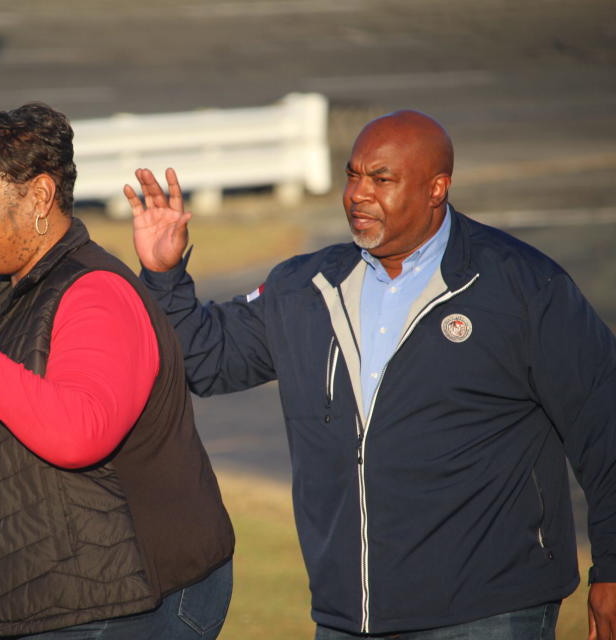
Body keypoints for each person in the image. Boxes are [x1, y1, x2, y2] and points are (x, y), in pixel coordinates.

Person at [124, 110, 616, 639]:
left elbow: (604, 425)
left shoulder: (522, 286)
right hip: (347, 616)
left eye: (381, 179)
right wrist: (163, 274)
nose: (358, 193)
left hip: (490, 610)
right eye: (353, 175)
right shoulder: (303, 287)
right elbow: (204, 360)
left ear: (436, 188)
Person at [0, 103, 234, 640]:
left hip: (118, 601)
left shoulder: (95, 293)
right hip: (42, 594)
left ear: (39, 196)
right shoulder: (7, 288)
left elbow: (76, 433)